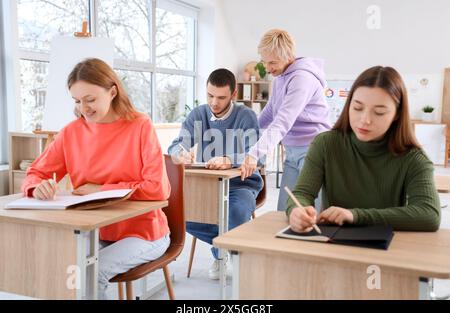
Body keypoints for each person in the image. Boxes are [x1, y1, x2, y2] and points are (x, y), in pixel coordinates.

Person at [22, 58, 171, 299]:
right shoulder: (71, 132)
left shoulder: (140, 126)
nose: (84, 108)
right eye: (77, 101)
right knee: (56, 268)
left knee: (91, 272)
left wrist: (101, 189)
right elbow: (35, 173)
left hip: (143, 233)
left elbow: (158, 189)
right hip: (93, 233)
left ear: (112, 92)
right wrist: (37, 186)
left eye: (90, 99)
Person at [286, 66, 441, 232]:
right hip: (332, 245)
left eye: (379, 112)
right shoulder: (325, 144)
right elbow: (302, 193)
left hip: (385, 250)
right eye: (357, 108)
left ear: (397, 114)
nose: (365, 120)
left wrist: (355, 216)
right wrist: (297, 211)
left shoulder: (413, 158)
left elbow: (429, 214)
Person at [168, 68, 263, 280]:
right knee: (178, 214)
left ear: (233, 94)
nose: (214, 102)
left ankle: (222, 255)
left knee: (236, 211)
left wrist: (229, 159)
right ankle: (227, 246)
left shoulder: (246, 116)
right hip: (206, 185)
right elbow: (175, 146)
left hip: (241, 184)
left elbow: (257, 155)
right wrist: (179, 154)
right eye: (210, 95)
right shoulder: (198, 114)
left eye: (221, 97)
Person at [239, 29, 331, 211]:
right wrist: (242, 132)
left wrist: (254, 154)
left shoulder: (302, 78)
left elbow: (282, 121)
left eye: (273, 62)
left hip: (314, 150)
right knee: (284, 210)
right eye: (265, 62)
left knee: (315, 213)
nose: (268, 68)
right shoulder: (280, 76)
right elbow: (269, 112)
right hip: (292, 151)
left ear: (289, 56)